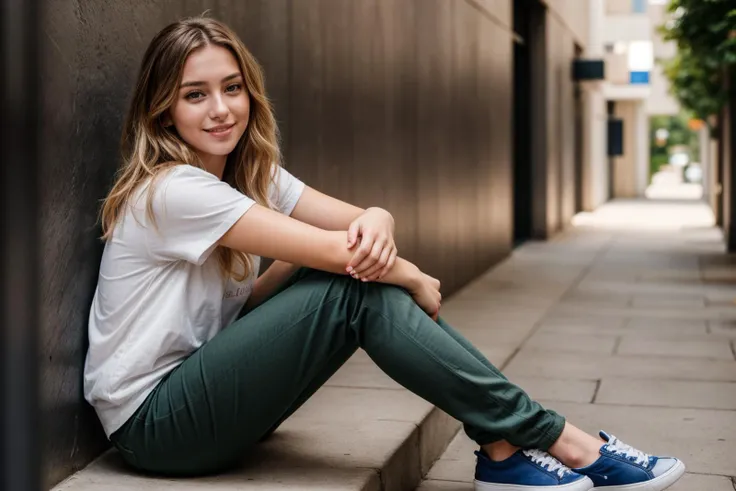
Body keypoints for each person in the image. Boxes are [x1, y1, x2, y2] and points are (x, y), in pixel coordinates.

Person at [83, 16, 685, 491]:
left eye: (232, 87)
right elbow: (341, 252)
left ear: (250, 91)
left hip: (206, 394)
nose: (221, 109)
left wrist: (379, 217)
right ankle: (557, 439)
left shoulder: (253, 176)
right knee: (350, 286)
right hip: (156, 427)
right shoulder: (174, 190)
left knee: (334, 272)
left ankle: (506, 448)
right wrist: (411, 274)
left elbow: (356, 223)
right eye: (196, 95)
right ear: (164, 108)